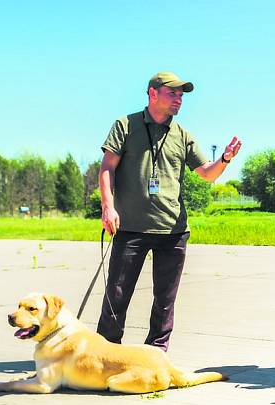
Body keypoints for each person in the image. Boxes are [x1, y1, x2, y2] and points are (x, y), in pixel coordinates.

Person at [97, 71, 242, 351]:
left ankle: (156, 351)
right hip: (130, 227)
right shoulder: (125, 125)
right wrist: (108, 206)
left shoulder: (182, 134)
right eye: (172, 93)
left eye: (181, 95)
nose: (179, 100)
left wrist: (224, 159)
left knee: (165, 298)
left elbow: (206, 174)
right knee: (117, 294)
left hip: (173, 231)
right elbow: (107, 167)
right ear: (153, 93)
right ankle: (106, 350)